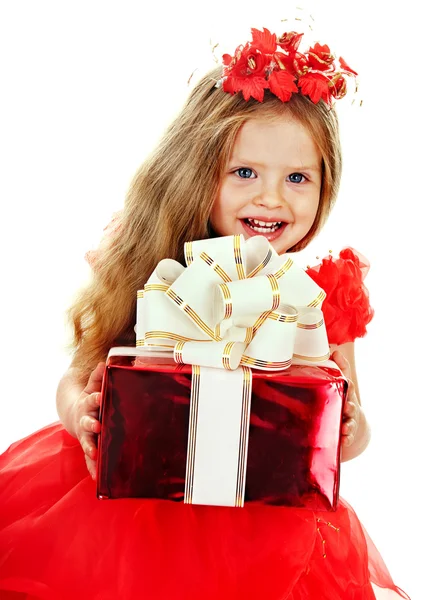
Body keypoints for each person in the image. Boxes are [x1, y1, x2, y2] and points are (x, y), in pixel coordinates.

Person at [0, 27, 409, 600]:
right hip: (133, 512)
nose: (271, 198)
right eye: (244, 173)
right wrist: (80, 413)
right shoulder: (158, 272)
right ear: (198, 170)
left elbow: (352, 418)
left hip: (269, 524)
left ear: (325, 186)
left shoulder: (317, 295)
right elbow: (79, 373)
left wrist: (353, 430)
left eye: (297, 178)